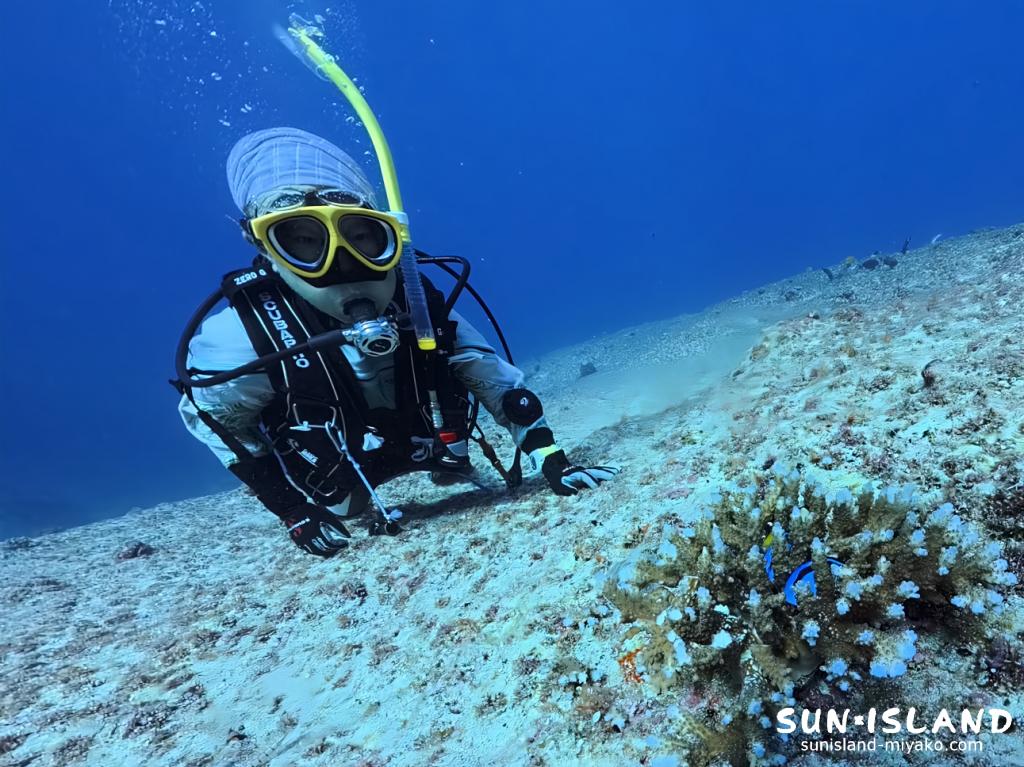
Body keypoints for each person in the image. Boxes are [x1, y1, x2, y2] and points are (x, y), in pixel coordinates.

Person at [177, 127, 617, 558]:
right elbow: (214, 420)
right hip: (338, 468)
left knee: (452, 461)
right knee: (344, 507)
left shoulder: (417, 297)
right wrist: (292, 509)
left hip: (432, 439)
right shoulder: (240, 336)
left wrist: (551, 458)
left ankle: (440, 456)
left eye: (360, 236)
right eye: (305, 241)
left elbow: (492, 379)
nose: (343, 262)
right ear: (264, 244)